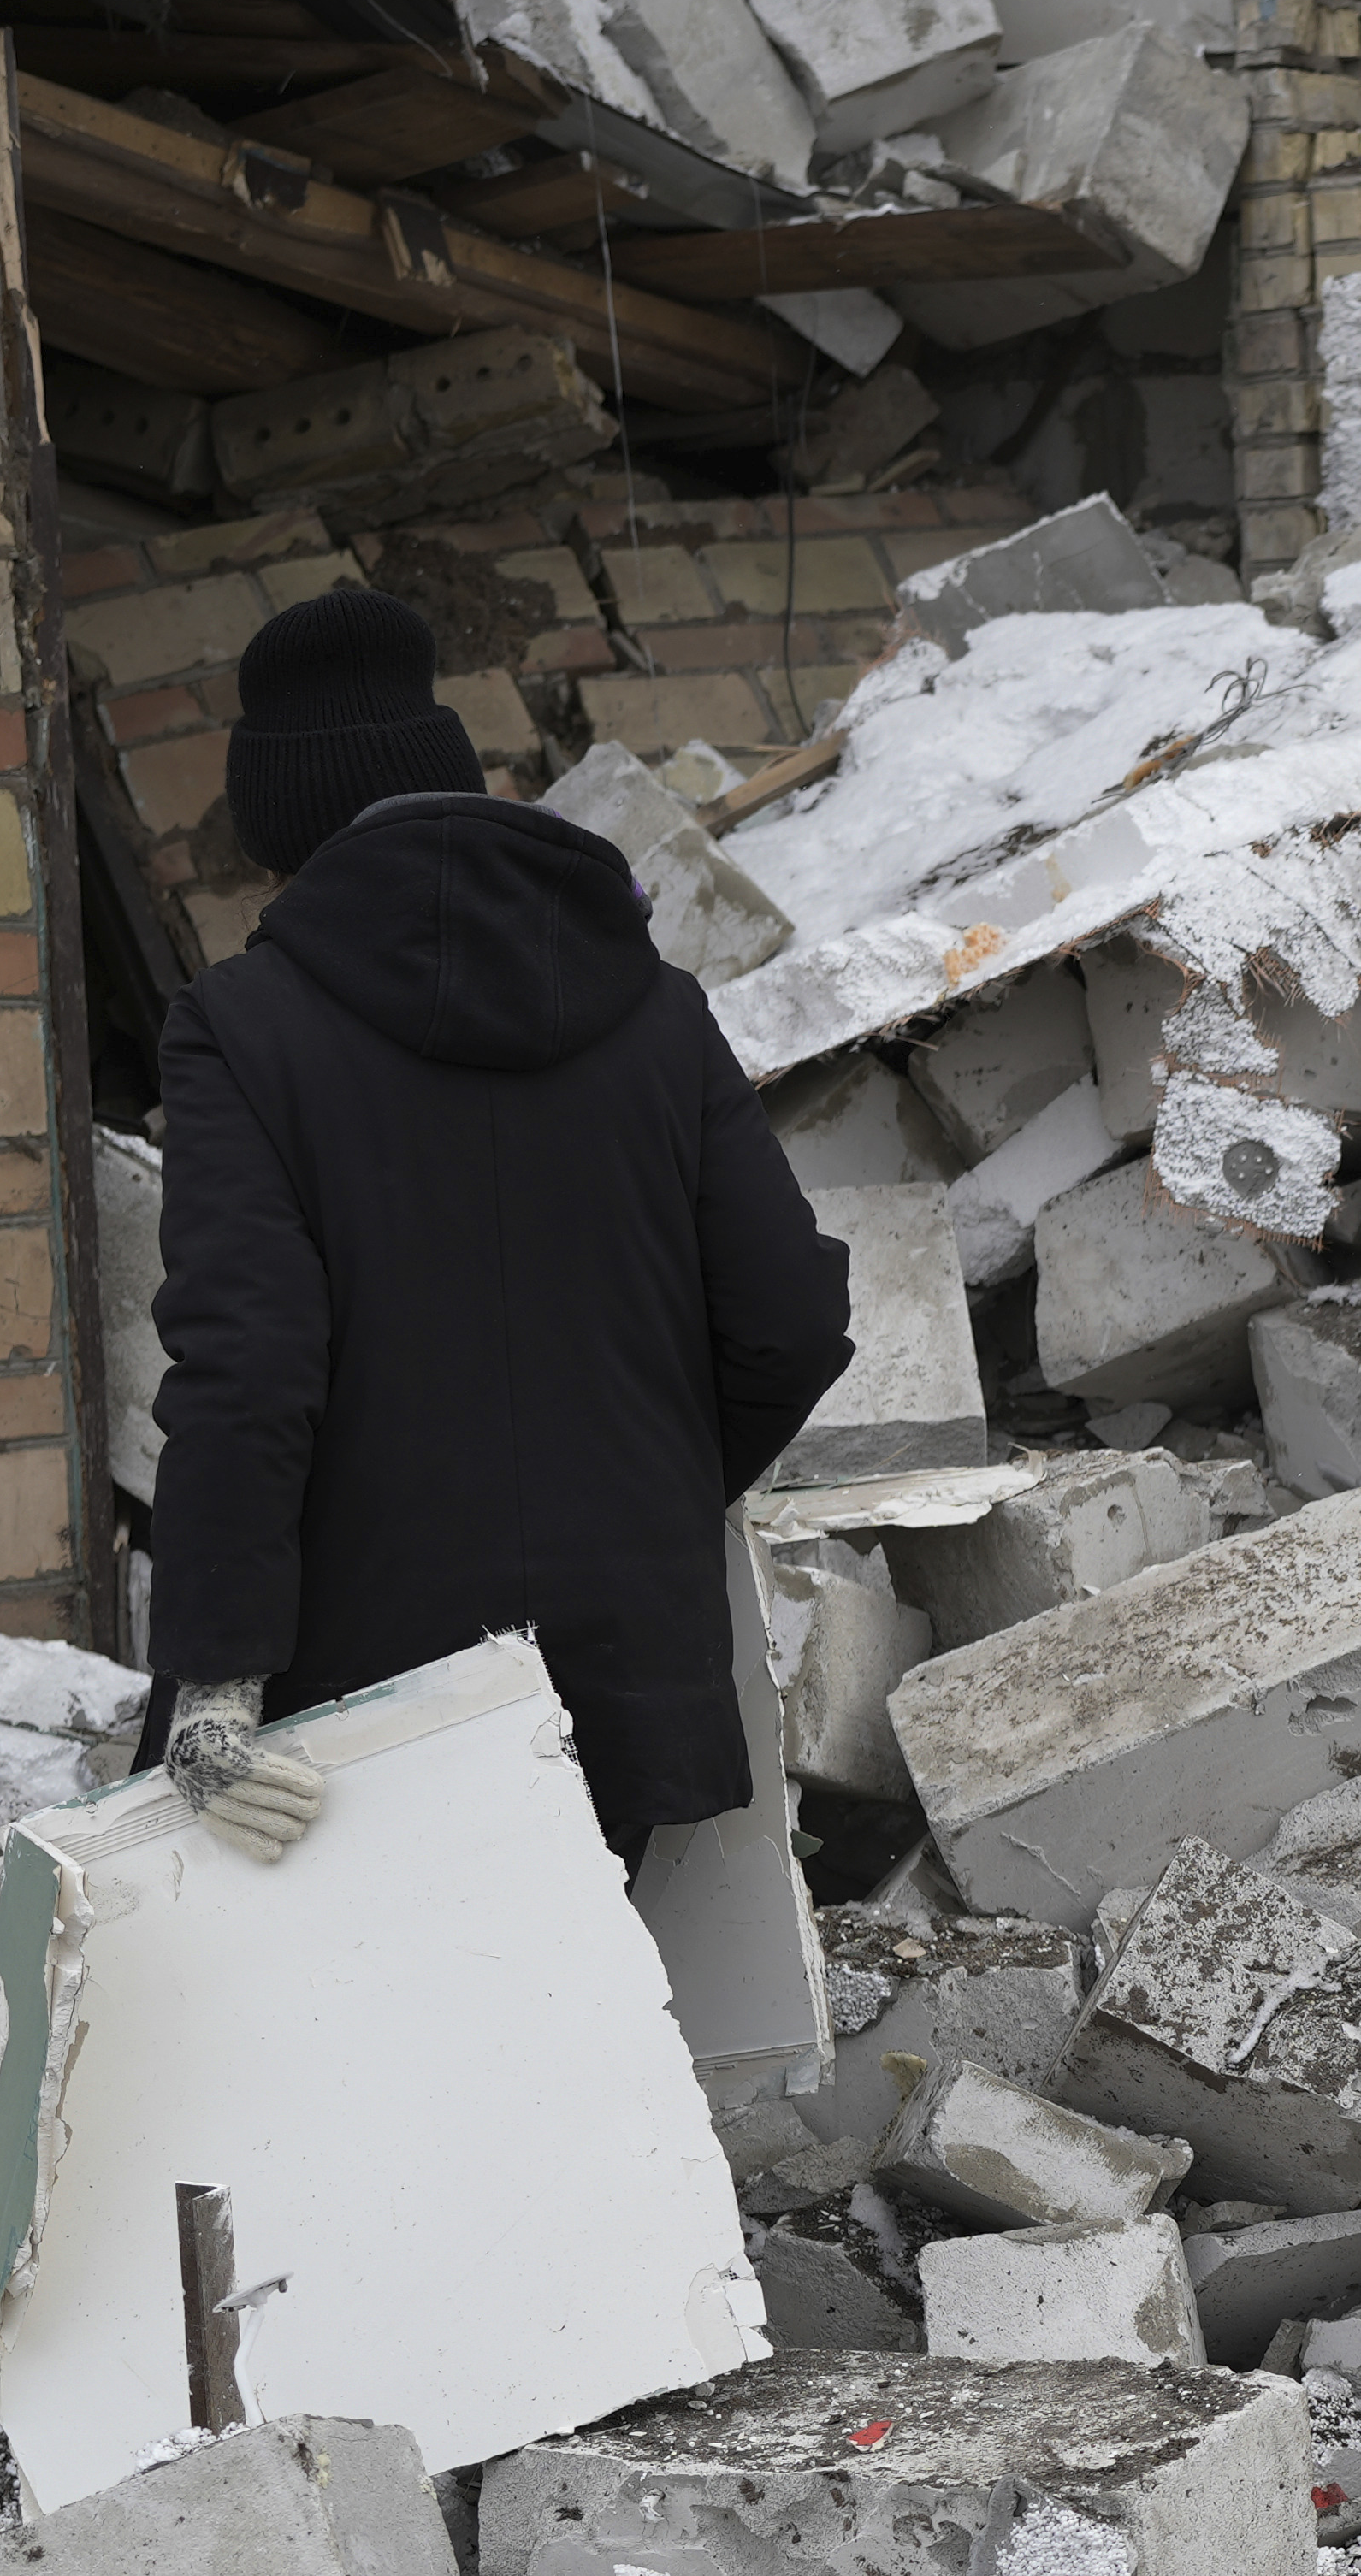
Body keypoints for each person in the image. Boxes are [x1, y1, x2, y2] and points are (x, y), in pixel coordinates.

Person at [144, 588, 855, 1866]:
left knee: (361, 2063)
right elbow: (791, 1322)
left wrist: (217, 1676)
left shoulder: (241, 1029)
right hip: (623, 1678)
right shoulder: (654, 1010)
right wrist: (647, 1497)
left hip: (354, 1710)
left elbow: (247, 1366)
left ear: (275, 830)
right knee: (567, 2055)